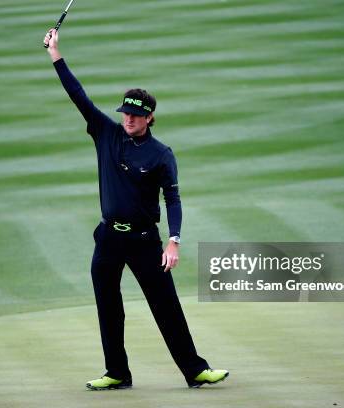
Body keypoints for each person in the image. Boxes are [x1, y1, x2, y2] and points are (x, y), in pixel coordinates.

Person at [43, 28, 229, 390]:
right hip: (109, 238)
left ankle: (195, 371)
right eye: (125, 113)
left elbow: (172, 199)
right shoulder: (106, 132)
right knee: (108, 307)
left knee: (166, 307)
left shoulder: (161, 154)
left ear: (149, 117)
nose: (128, 119)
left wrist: (173, 240)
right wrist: (55, 54)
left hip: (145, 241)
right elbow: (77, 95)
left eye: (135, 115)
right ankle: (117, 373)